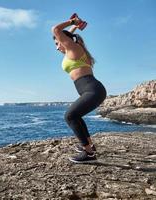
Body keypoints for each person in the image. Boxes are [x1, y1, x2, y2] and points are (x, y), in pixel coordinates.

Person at [51, 16, 107, 163]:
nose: (57, 47)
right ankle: (90, 146)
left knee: (70, 116)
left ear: (65, 41)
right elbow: (67, 35)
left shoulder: (73, 49)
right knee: (76, 116)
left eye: (58, 43)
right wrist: (74, 28)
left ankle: (89, 154)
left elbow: (55, 30)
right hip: (92, 89)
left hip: (92, 90)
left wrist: (72, 22)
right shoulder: (75, 49)